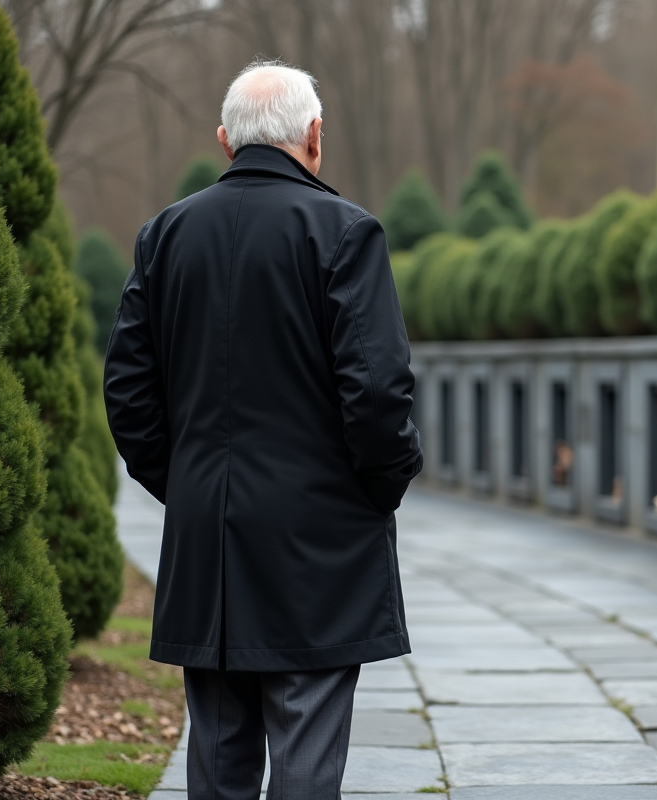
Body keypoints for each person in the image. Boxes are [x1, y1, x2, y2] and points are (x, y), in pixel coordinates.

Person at [103, 60, 423, 800]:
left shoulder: (165, 235)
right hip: (317, 542)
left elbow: (128, 389)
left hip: (205, 543)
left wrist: (186, 484)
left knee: (217, 752)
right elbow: (377, 390)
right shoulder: (345, 232)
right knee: (306, 743)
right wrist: (378, 491)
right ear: (314, 136)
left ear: (225, 140)